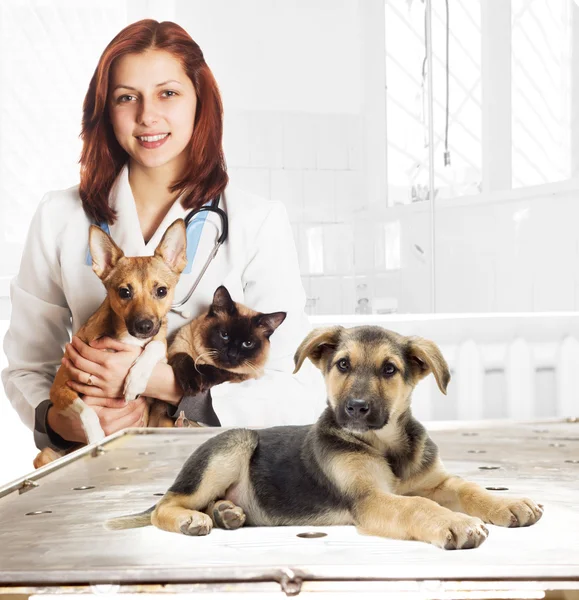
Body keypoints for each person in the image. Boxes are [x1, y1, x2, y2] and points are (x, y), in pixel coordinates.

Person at [1, 19, 323, 453]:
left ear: (199, 101)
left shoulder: (257, 221)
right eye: (126, 97)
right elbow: (27, 365)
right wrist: (64, 422)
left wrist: (165, 383)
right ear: (105, 110)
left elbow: (297, 391)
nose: (147, 115)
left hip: (213, 471)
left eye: (167, 93)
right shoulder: (59, 216)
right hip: (101, 464)